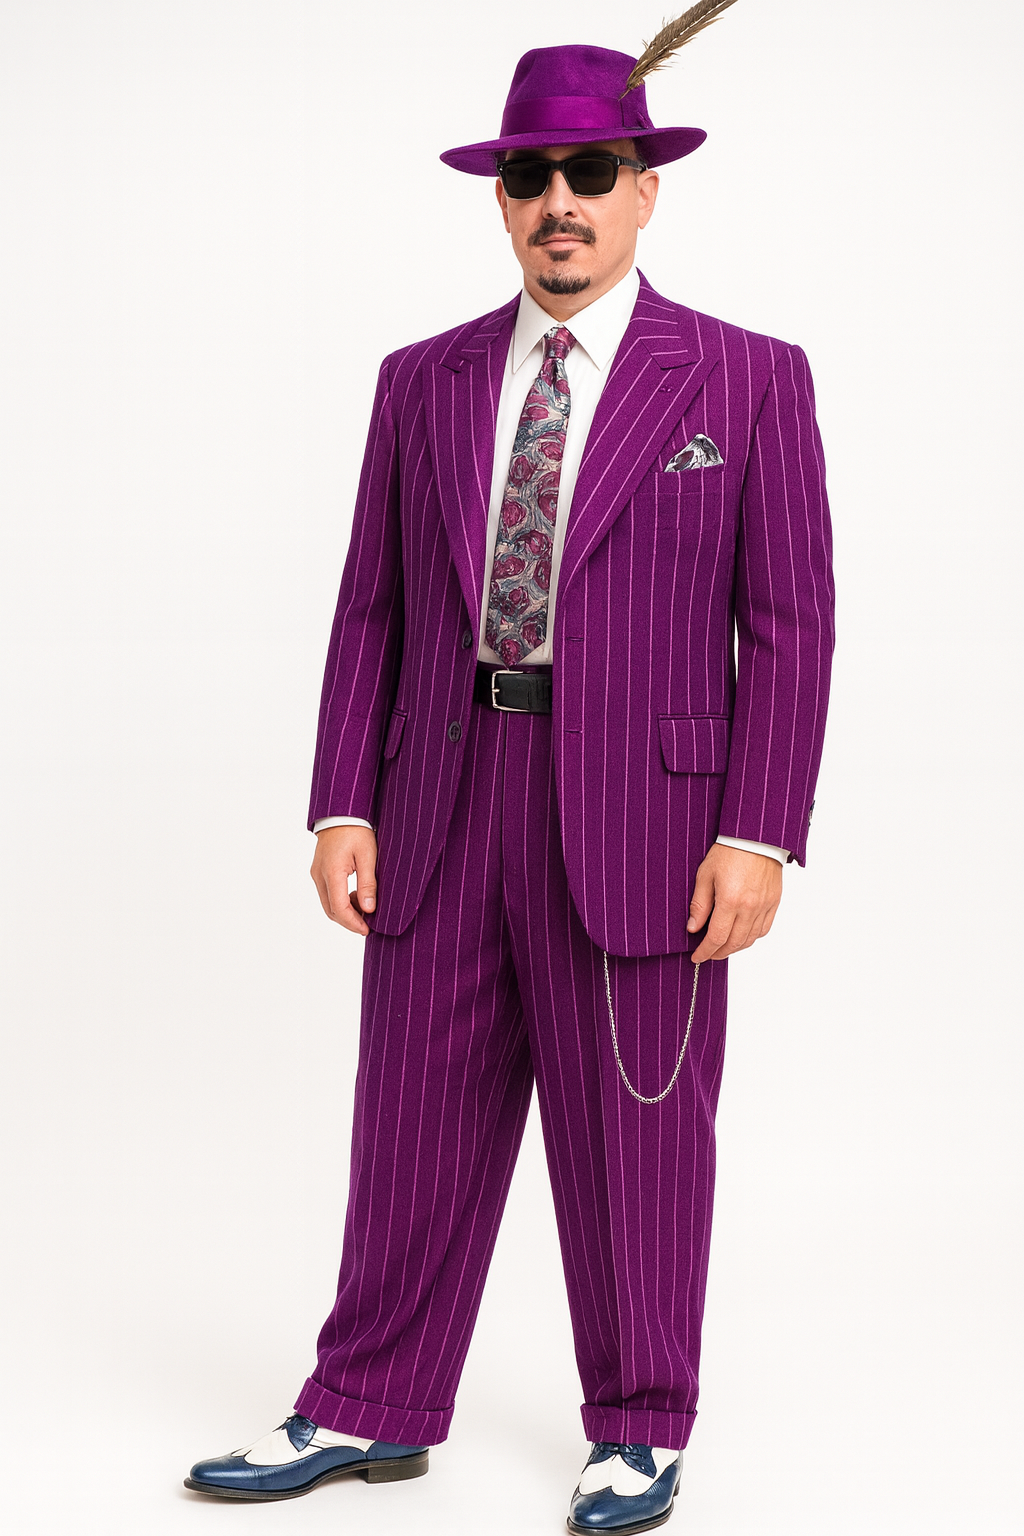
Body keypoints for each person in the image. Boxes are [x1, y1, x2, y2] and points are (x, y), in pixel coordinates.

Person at [185, 25, 834, 1535]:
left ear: (645, 191)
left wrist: (761, 830)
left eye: (590, 174)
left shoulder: (747, 379)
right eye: (533, 177)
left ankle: (643, 1426)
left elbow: (792, 620)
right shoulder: (422, 382)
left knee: (638, 1132)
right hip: (444, 792)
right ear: (500, 198)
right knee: (411, 1114)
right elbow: (372, 607)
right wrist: (343, 798)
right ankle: (370, 1404)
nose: (561, 203)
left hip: (651, 817)